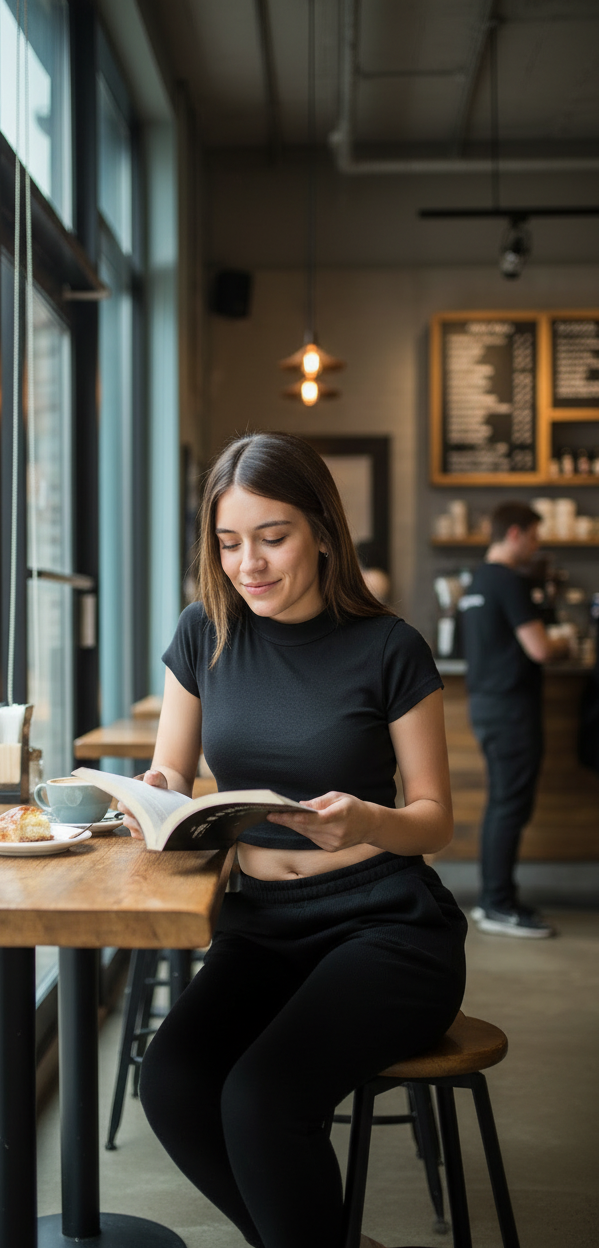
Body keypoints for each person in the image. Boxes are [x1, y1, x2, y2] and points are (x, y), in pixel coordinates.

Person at [119, 433, 467, 1248]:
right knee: (171, 1083)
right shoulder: (204, 633)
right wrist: (156, 795)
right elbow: (169, 767)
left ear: (320, 529)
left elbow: (436, 818)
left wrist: (369, 820)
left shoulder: (389, 648)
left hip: (386, 924)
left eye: (272, 538)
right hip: (263, 927)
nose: (250, 564)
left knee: (262, 1099)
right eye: (229, 542)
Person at [458, 501, 571, 939]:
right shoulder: (509, 581)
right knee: (509, 805)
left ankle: (498, 897)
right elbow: (539, 649)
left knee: (504, 802)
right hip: (511, 709)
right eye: (536, 536)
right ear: (517, 534)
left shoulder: (475, 581)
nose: (537, 546)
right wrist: (561, 644)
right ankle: (497, 904)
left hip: (486, 704)